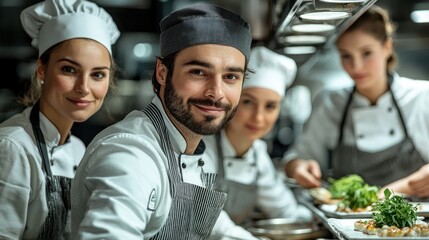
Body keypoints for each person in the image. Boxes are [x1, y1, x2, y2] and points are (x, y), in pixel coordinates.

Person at [70, 3, 252, 239]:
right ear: (162, 73)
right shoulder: (131, 154)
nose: (216, 92)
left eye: (230, 77)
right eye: (198, 72)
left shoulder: (189, 148)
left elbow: (221, 230)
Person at [0, 0, 120, 239]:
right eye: (69, 70)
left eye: (97, 74)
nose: (84, 88)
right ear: (41, 70)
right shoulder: (12, 148)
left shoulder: (77, 149)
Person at [282, 5, 429, 197]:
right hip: (347, 222)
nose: (356, 66)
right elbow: (296, 158)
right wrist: (298, 167)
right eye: (346, 55)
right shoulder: (330, 103)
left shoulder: (422, 96)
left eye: (366, 53)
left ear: (387, 47)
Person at [204, 46, 313, 240]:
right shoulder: (202, 147)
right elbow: (208, 219)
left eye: (270, 106)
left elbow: (285, 211)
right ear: (233, 100)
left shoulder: (257, 154)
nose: (259, 117)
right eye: (248, 102)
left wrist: (322, 221)